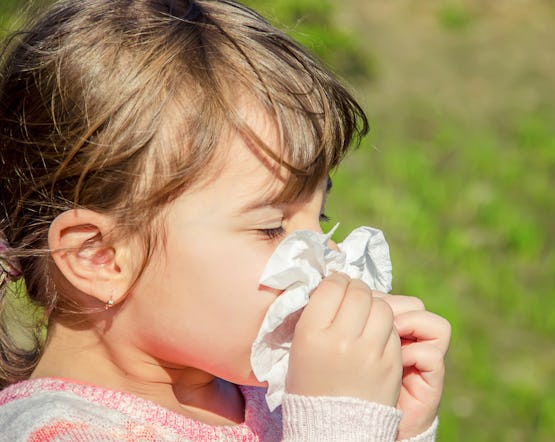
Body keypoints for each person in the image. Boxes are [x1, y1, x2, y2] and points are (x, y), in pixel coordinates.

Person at [0, 0, 451, 440]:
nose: (328, 256)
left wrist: (397, 426)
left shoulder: (270, 391)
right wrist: (340, 425)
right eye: (271, 227)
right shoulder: (57, 432)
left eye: (321, 214)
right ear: (98, 256)